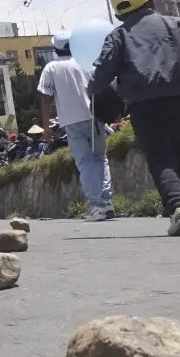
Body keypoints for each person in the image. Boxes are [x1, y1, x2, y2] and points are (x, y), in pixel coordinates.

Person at [89, 0, 180, 236]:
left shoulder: (118, 36)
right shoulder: (175, 23)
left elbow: (100, 77)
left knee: (160, 155)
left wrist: (96, 90)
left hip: (142, 104)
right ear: (150, 2)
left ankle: (178, 207)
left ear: (119, 13)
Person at [40, 31, 115, 221]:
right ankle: (107, 202)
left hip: (71, 121)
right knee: (100, 158)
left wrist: (46, 127)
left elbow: (46, 98)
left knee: (85, 162)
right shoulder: (84, 62)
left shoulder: (51, 68)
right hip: (94, 116)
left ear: (56, 48)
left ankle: (96, 205)